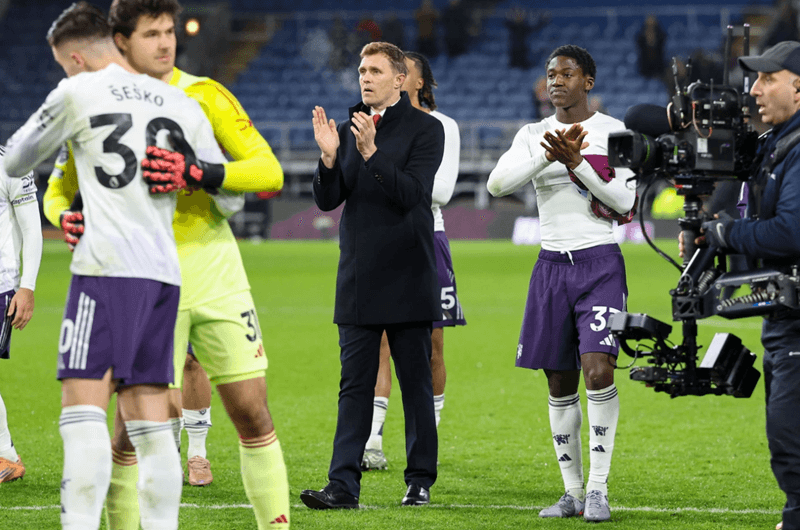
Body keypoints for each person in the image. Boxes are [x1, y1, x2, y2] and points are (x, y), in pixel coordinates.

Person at [41, 0, 290, 529]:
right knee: (133, 430)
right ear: (121, 40)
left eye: (169, 31)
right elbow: (57, 191)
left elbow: (268, 170)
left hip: (215, 270)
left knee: (252, 411)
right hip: (139, 277)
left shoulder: (204, 94)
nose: (166, 43)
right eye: (152, 33)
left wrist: (199, 172)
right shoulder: (92, 100)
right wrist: (65, 218)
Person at [1, 2, 235, 526]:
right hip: (164, 277)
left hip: (103, 273)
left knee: (83, 418)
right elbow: (230, 198)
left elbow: (15, 159)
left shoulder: (77, 92)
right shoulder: (179, 101)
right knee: (152, 425)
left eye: (64, 66)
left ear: (76, 58)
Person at [487, 44, 637, 523]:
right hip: (551, 266)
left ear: (587, 81)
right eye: (551, 74)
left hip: (600, 263)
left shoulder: (614, 132)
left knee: (598, 370)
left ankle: (598, 490)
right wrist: (548, 156)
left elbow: (624, 202)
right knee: (558, 380)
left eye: (566, 74)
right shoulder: (533, 135)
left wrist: (577, 162)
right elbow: (496, 184)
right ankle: (571, 492)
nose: (556, 81)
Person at [300, 41, 444, 509]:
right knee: (354, 386)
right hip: (358, 276)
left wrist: (371, 153)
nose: (365, 77)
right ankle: (342, 485)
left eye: (376, 71)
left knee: (415, 384)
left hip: (408, 273)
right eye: (362, 70)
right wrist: (328, 159)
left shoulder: (427, 129)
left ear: (400, 80)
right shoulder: (348, 128)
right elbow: (328, 200)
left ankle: (419, 480)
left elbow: (412, 194)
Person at [685, 40, 800, 530]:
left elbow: (790, 231)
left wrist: (726, 233)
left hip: (797, 321)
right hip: (783, 313)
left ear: (799, 88)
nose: (754, 90)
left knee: (790, 435)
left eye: (767, 79)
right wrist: (714, 227)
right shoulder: (778, 144)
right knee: (785, 433)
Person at [361, 51, 466, 471]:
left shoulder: (442, 126)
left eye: (402, 73)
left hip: (426, 237)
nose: (395, 78)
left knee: (431, 346)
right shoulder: (374, 123)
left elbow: (439, 191)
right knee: (380, 343)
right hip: (381, 238)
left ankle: (427, 437)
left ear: (417, 82)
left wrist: (388, 173)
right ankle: (372, 441)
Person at [0, 146, 42, 484]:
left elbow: (32, 230)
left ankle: (7, 456)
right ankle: (7, 456)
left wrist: (26, 287)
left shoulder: (11, 164)